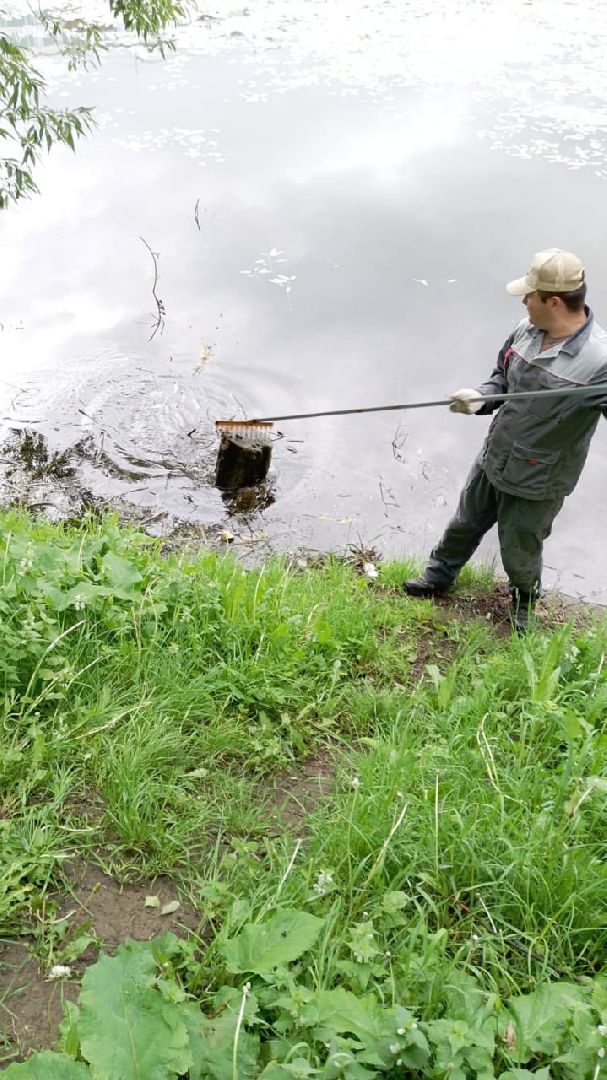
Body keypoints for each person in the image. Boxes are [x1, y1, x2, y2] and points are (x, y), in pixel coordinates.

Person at [404, 248, 607, 631]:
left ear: (554, 302)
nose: (524, 300)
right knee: (464, 523)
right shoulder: (525, 331)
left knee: (520, 548)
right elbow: (500, 378)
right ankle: (438, 577)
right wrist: (480, 398)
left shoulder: (599, 363)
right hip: (494, 456)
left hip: (539, 480)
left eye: (529, 294)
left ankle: (524, 605)